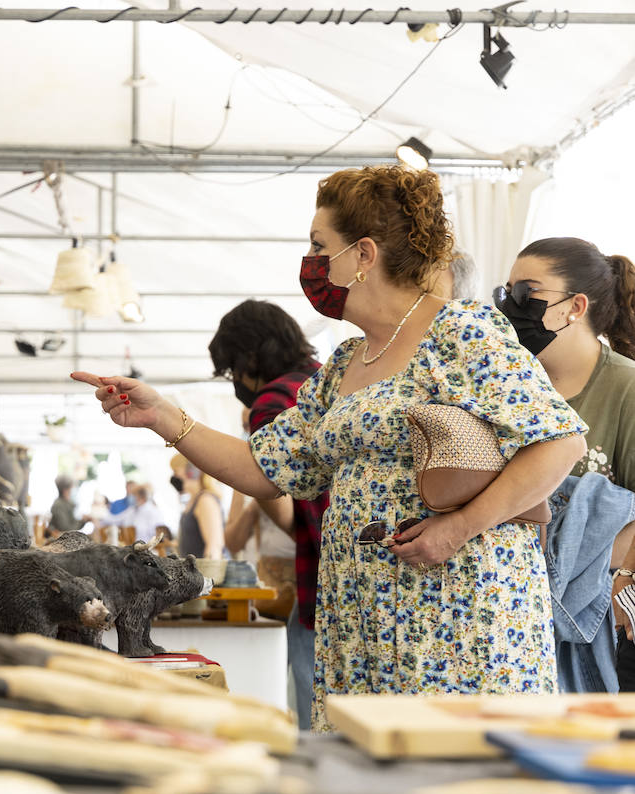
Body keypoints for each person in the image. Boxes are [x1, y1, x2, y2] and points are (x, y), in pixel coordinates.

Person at [73, 165, 586, 727]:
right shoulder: (346, 362)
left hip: (457, 614)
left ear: (363, 255)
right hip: (363, 614)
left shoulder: (463, 330)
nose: (312, 261)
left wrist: (457, 529)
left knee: (453, 766)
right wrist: (163, 417)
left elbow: (560, 444)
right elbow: (264, 467)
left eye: (321, 246)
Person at [496, 237, 635, 687]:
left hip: (603, 624)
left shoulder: (626, 390)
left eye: (527, 293)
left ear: (576, 306)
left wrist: (621, 584)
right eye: (507, 292)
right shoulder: (504, 388)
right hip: (509, 620)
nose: (511, 307)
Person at [209, 301, 328, 729]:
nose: (235, 381)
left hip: (320, 577)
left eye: (231, 369)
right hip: (369, 573)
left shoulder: (274, 400)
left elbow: (273, 492)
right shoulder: (326, 377)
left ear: (249, 358)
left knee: (315, 720)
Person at [169, 454, 225, 560]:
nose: (174, 477)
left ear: (191, 471)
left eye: (176, 471)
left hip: (202, 573)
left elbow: (214, 546)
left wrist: (208, 575)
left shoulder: (205, 500)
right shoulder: (194, 500)